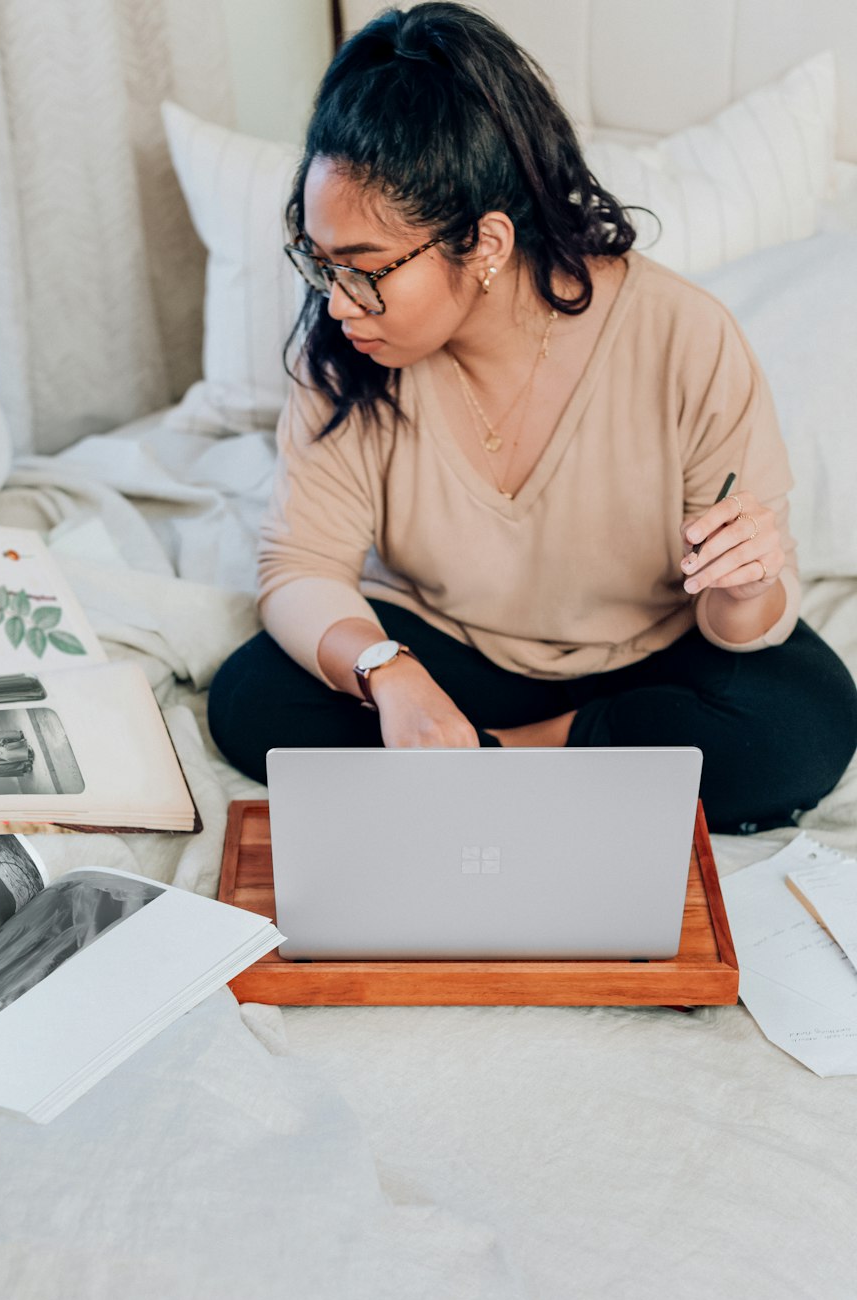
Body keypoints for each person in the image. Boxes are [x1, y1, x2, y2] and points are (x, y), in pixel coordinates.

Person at [207, 2, 857, 833]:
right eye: (319, 261)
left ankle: (495, 763)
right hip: (453, 652)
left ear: (485, 244)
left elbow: (741, 626)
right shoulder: (344, 353)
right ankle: (530, 763)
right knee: (250, 699)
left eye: (366, 270)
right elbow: (300, 565)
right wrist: (390, 676)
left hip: (650, 662)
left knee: (803, 723)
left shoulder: (683, 336)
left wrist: (748, 586)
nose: (337, 303)